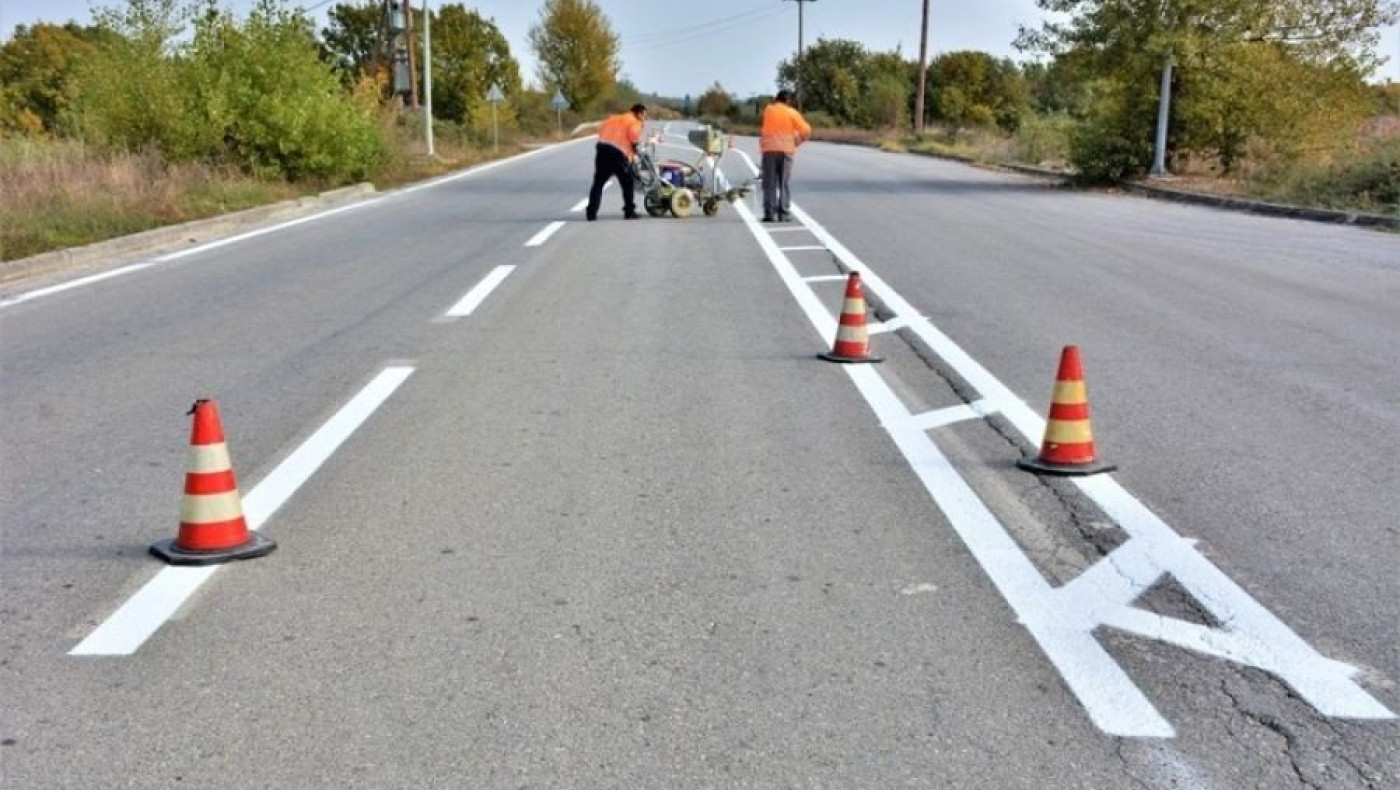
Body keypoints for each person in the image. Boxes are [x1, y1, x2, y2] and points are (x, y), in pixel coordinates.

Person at [586, 103, 648, 221]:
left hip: (602, 150)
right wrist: (635, 149)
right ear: (639, 113)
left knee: (598, 183)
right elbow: (634, 137)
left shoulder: (613, 118)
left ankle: (591, 213)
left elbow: (600, 129)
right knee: (628, 182)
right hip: (618, 154)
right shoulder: (634, 121)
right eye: (645, 116)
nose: (645, 119)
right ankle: (629, 212)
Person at [759, 90, 811, 223]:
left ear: (777, 99)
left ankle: (769, 214)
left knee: (769, 184)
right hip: (786, 151)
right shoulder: (792, 113)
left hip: (769, 150)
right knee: (783, 183)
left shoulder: (768, 110)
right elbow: (806, 130)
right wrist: (798, 141)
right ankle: (784, 213)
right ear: (788, 101)